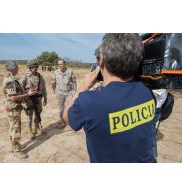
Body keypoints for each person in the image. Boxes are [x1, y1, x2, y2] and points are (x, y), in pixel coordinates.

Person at [63, 33, 157, 163]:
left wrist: (84, 85)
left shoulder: (88, 102)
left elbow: (66, 116)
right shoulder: (147, 93)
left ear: (101, 60)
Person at [3, 61, 37, 159]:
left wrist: (27, 91)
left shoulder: (11, 78)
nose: (18, 69)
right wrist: (28, 95)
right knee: (15, 129)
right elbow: (13, 97)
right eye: (17, 67)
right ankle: (17, 150)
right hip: (13, 108)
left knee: (13, 128)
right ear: (13, 69)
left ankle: (14, 145)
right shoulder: (10, 81)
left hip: (13, 107)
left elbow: (16, 92)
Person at [20, 60, 47, 140]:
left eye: (36, 67)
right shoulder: (25, 76)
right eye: (33, 67)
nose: (35, 68)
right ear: (29, 68)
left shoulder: (39, 76)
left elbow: (44, 88)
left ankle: (36, 127)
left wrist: (45, 98)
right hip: (29, 99)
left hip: (38, 98)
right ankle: (29, 130)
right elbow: (20, 87)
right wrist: (23, 97)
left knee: (38, 113)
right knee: (29, 115)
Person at [51, 59, 77, 128]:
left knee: (70, 107)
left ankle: (70, 121)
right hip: (60, 93)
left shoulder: (70, 71)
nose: (60, 66)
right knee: (61, 108)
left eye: (61, 64)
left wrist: (74, 91)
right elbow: (53, 83)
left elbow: (74, 82)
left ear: (65, 64)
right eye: (59, 64)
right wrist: (55, 91)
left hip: (69, 93)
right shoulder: (56, 72)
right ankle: (62, 121)